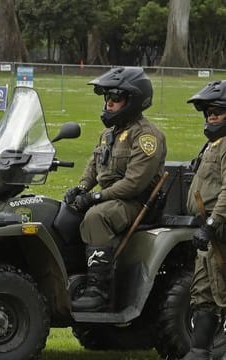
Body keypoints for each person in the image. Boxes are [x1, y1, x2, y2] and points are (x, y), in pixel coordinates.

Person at [64, 67, 167, 312]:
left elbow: (134, 183)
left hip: (135, 202)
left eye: (115, 99)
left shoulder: (146, 137)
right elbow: (93, 169)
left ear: (133, 101)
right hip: (111, 198)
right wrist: (79, 189)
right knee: (62, 212)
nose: (109, 104)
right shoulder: (108, 134)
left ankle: (99, 290)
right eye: (107, 98)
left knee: (96, 216)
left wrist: (95, 197)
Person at [182, 80, 226, 360]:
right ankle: (199, 352)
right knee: (204, 292)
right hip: (209, 233)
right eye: (208, 111)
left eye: (218, 111)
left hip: (219, 231)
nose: (211, 115)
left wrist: (211, 225)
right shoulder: (212, 145)